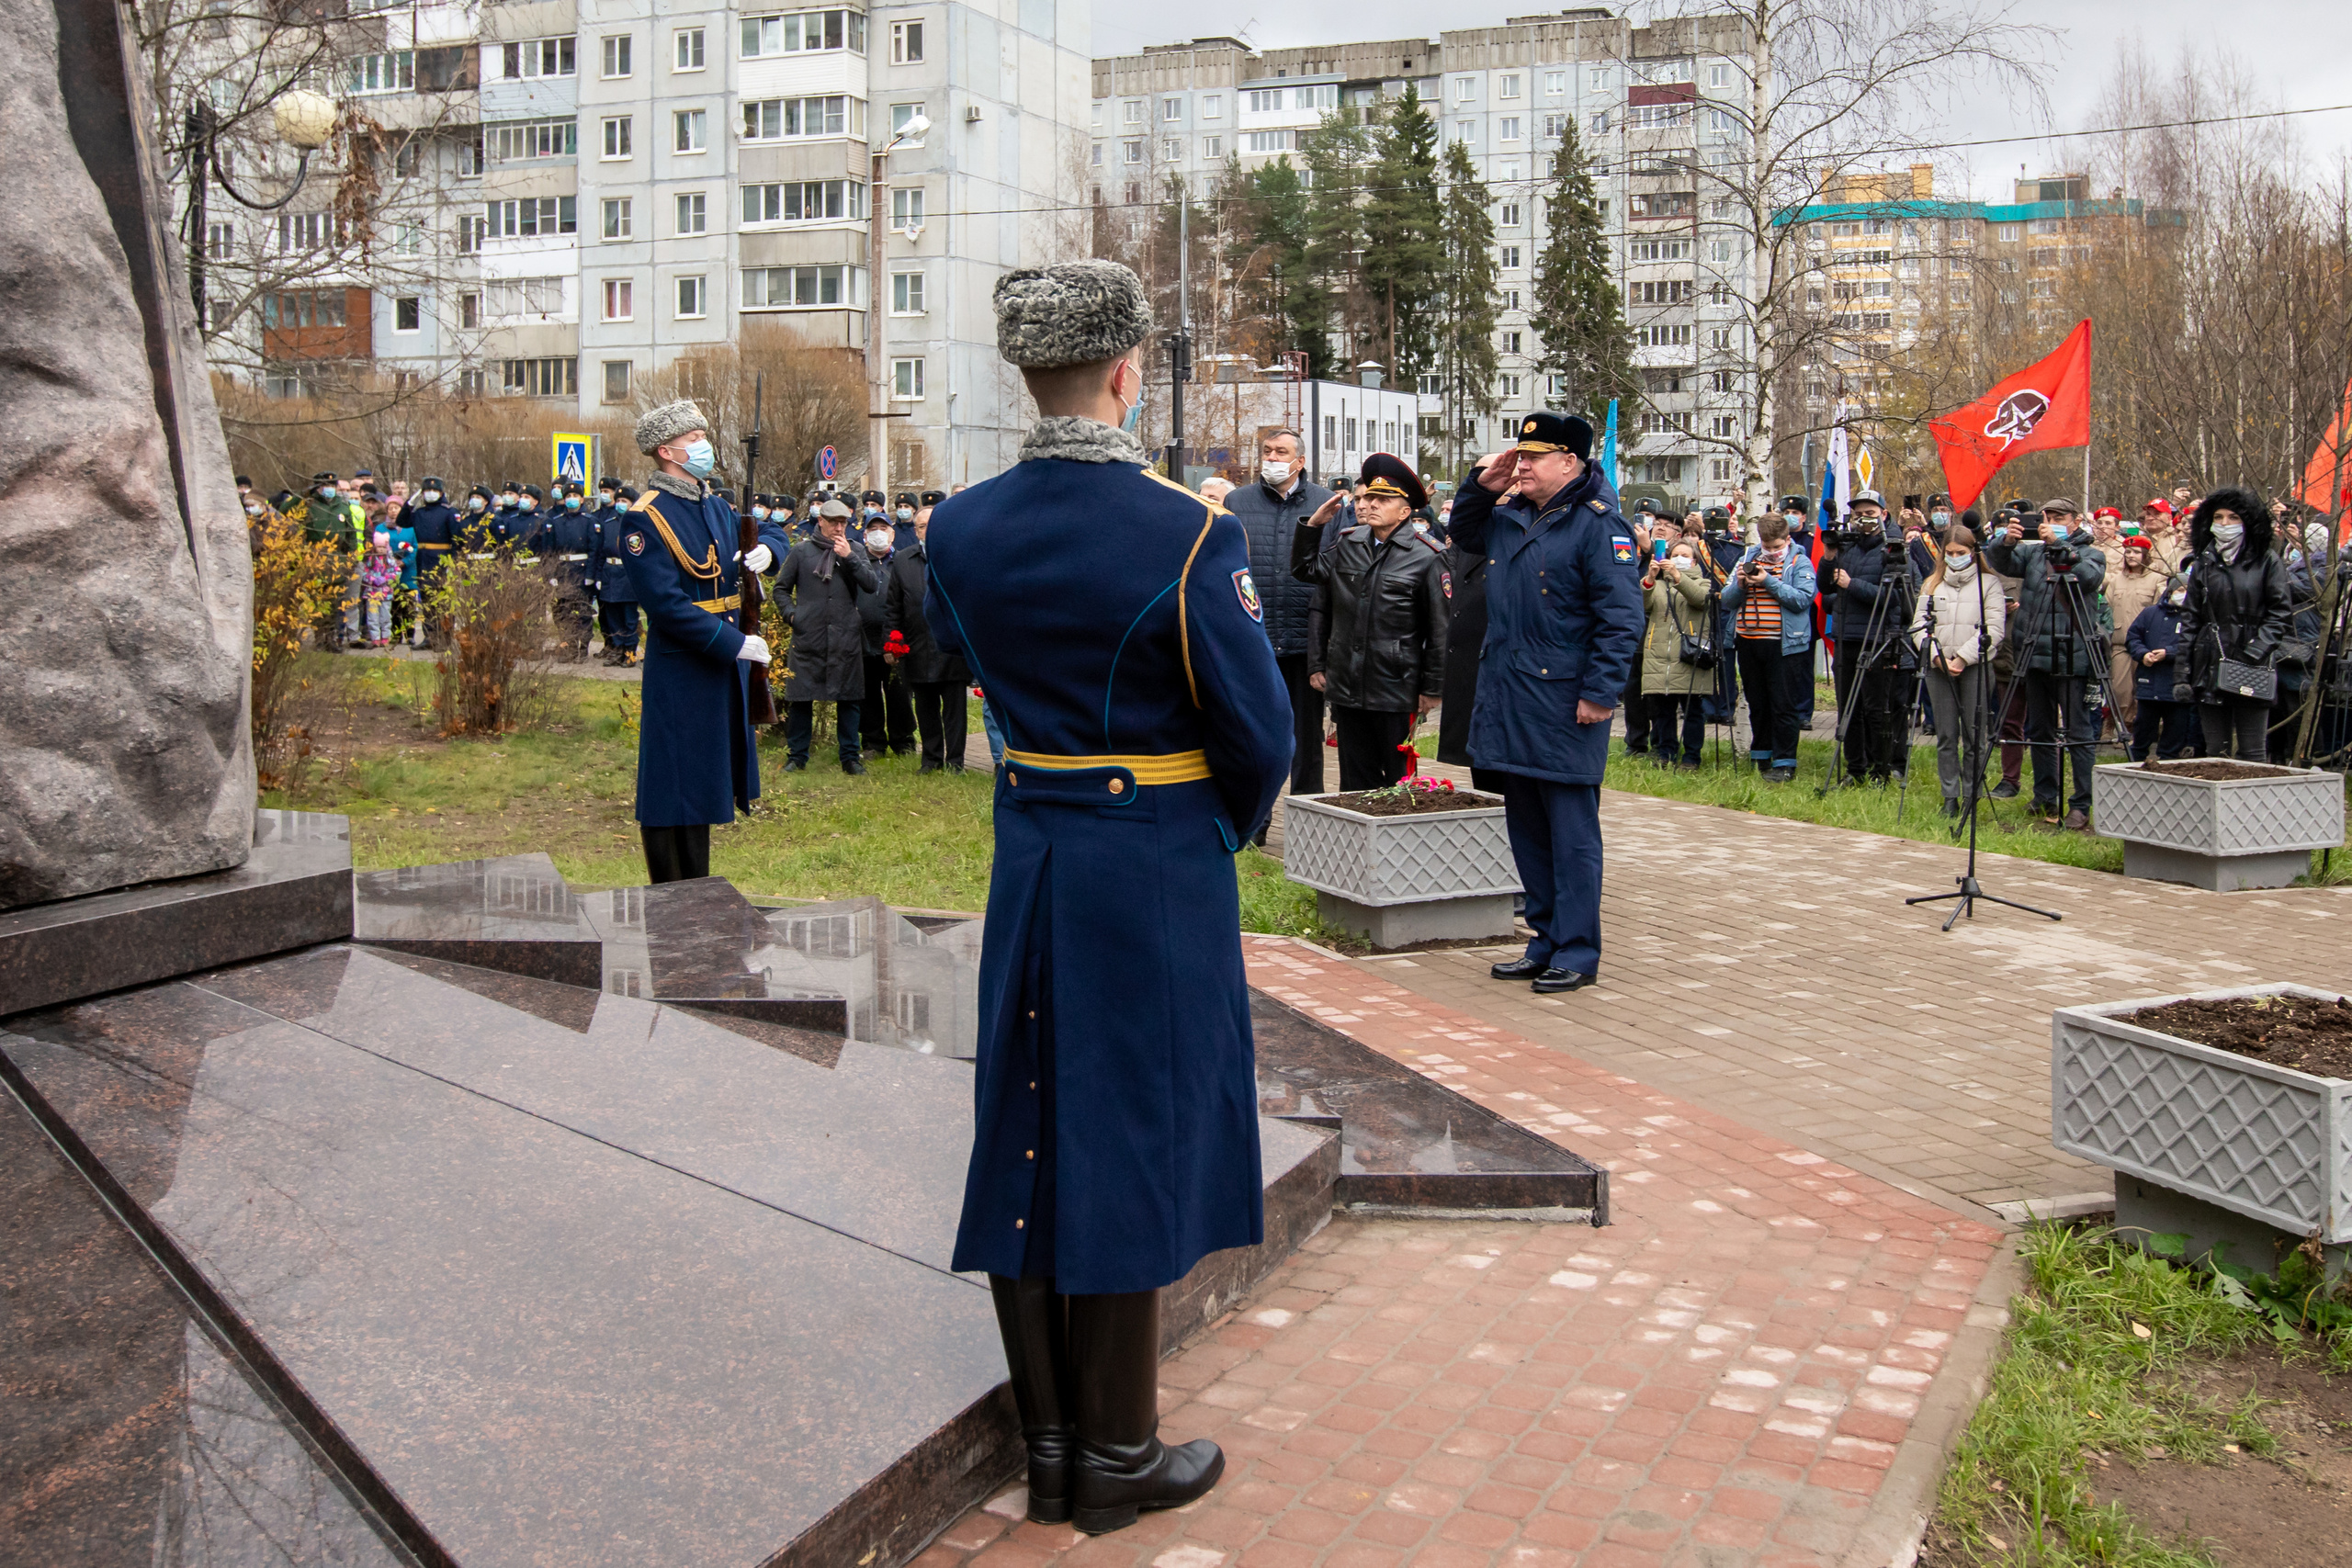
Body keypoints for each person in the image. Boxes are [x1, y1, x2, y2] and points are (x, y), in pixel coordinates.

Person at [921, 259, 1290, 1536]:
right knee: (1134, 1127)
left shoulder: (957, 527)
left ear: (1028, 374)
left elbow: (968, 659)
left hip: (1033, 850)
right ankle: (1118, 1453)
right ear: (1127, 373)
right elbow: (1259, 733)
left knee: (1026, 1122)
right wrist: (1219, 829)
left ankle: (1054, 1449)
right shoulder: (1186, 530)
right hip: (1152, 863)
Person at [1446, 412, 1643, 994]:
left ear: (1569, 462)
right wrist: (1479, 486)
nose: (1523, 465)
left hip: (1565, 701)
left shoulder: (1599, 525)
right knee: (1528, 829)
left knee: (1571, 835)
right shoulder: (1511, 514)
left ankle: (1577, 951)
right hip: (1509, 693)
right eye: (1521, 455)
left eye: (1535, 457)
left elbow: (1620, 619)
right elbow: (1465, 533)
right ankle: (1544, 940)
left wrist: (1601, 693)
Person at [617, 400, 790, 882]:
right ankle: (671, 890)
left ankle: (697, 888)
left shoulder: (713, 504)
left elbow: (770, 530)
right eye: (694, 439)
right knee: (672, 781)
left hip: (721, 664)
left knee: (703, 782)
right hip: (684, 665)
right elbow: (667, 605)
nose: (704, 447)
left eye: (702, 437)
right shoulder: (645, 518)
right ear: (666, 450)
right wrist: (732, 643)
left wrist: (767, 549)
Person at [1289, 454, 1450, 791]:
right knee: (1354, 781)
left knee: (1398, 783)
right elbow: (1306, 571)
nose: (1371, 504)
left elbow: (1440, 629)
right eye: (1370, 497)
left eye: (1384, 500)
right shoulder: (1350, 541)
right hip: (1348, 683)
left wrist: (1432, 688)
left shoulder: (1428, 555)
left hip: (1396, 686)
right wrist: (1312, 527)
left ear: (1405, 512)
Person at [1222, 429, 1336, 813]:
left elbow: (1334, 570)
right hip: (1255, 638)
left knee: (1307, 741)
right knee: (1254, 738)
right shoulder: (1238, 501)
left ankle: (1309, 819)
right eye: (1267, 451)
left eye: (1281, 452)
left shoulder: (1326, 503)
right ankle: (1256, 822)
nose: (1271, 458)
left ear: (1299, 461)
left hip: (1306, 641)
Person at [1987, 499, 2107, 829]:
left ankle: (2081, 803)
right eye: (2047, 517)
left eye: (2059, 517)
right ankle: (2045, 795)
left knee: (2078, 732)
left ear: (2075, 520)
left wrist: (2060, 546)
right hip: (2033, 654)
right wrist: (2006, 541)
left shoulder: (2091, 552)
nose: (2052, 522)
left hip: (2073, 655)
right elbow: (2000, 561)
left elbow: (2088, 579)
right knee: (2040, 730)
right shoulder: (2034, 554)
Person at [2176, 488, 2293, 761]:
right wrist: (2182, 673)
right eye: (2218, 517)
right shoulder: (2204, 562)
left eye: (2233, 517)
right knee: (2216, 752)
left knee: (2253, 752)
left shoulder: (2266, 560)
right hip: (2209, 662)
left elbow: (2280, 613)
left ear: (2247, 521)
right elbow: (2190, 619)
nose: (2224, 524)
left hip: (2252, 664)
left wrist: (2255, 651)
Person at [771, 498, 879, 773]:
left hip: (845, 637)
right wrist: (792, 615)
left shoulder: (855, 550)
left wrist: (849, 558)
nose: (839, 528)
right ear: (820, 521)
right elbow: (781, 589)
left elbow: (870, 585)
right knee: (801, 698)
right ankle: (797, 756)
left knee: (849, 698)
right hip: (809, 636)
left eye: (843, 523)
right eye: (833, 522)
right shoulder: (801, 552)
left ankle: (850, 758)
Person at [1907, 525, 2005, 818]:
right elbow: (1918, 626)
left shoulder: (1989, 584)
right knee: (1947, 735)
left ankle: (1971, 794)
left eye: (1960, 552)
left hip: (1974, 666)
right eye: (1949, 553)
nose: (1954, 557)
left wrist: (1963, 658)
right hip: (1940, 667)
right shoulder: (1932, 584)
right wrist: (1936, 656)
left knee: (1975, 735)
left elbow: (1995, 629)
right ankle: (1949, 795)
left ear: (1972, 552)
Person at [1823, 491, 1911, 784]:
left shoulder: (1893, 548)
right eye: (1859, 514)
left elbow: (1893, 597)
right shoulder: (1847, 546)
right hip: (1845, 637)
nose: (1864, 519)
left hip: (1877, 640)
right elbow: (1825, 588)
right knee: (1849, 708)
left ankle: (1880, 769)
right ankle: (1855, 769)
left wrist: (1851, 585)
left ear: (1883, 515)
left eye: (1870, 514)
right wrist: (1829, 557)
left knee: (1876, 709)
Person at [1722, 512, 1817, 780]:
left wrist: (1768, 581)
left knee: (1783, 705)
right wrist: (1741, 584)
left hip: (1783, 645)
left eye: (1777, 546)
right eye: (1767, 546)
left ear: (1787, 539)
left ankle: (1785, 763)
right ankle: (1761, 757)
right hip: (1749, 642)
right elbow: (1727, 599)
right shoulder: (1747, 559)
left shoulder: (1799, 562)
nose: (1772, 552)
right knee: (1758, 703)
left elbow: (1803, 599)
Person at [884, 503, 970, 772]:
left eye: (933, 525)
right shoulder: (903, 560)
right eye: (922, 527)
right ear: (916, 531)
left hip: (952, 650)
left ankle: (955, 762)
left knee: (955, 711)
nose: (928, 531)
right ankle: (931, 760)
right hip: (917, 647)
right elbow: (893, 606)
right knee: (925, 709)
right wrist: (891, 643)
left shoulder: (958, 556)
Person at [1636, 537, 1714, 769]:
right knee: (1663, 711)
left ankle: (1691, 757)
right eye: (1675, 555)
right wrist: (1651, 578)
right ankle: (1666, 754)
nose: (1679, 559)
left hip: (1690, 656)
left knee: (1692, 711)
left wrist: (1677, 577)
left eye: (1685, 556)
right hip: (1659, 657)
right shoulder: (1659, 585)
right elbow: (1642, 604)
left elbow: (1700, 600)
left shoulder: (1704, 583)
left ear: (1694, 561)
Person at [854, 519, 918, 757]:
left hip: (896, 637)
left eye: (883, 529)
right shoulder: (857, 562)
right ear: (865, 536)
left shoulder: (903, 561)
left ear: (893, 535)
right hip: (864, 638)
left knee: (899, 692)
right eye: (873, 530)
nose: (878, 534)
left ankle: (903, 741)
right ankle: (873, 742)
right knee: (868, 692)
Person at [2101, 534, 2169, 739]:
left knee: (2143, 690)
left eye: (2136, 552)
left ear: (2146, 555)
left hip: (2146, 646)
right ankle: (2119, 726)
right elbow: (2106, 610)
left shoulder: (2157, 579)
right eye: (2128, 552)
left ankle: (2140, 731)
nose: (2131, 555)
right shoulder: (2116, 580)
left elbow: (2160, 613)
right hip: (2120, 643)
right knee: (2120, 689)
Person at [2125, 578, 2196, 761]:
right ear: (2170, 592)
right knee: (2142, 730)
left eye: (2188, 590)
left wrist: (2169, 653)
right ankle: (2135, 764)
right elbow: (2133, 637)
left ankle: (2167, 764)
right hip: (2149, 683)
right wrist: (2143, 654)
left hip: (2178, 685)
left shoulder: (2193, 617)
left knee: (2174, 735)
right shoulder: (2150, 613)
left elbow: (2194, 645)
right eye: (2180, 590)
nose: (2184, 595)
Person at [294, 471, 364, 651]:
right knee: (318, 601)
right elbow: (297, 529)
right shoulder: (310, 505)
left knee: (335, 603)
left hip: (337, 561)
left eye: (332, 486)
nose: (329, 489)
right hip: (316, 559)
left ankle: (331, 638)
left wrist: (352, 558)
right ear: (317, 487)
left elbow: (351, 534)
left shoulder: (343, 506)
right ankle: (320, 637)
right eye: (326, 486)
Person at [543, 483, 600, 660]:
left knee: (583, 612)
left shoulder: (590, 521)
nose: (571, 499)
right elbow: (550, 551)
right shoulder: (556, 522)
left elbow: (594, 551)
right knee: (564, 612)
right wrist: (552, 574)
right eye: (568, 496)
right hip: (563, 572)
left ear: (582, 499)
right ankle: (569, 646)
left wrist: (590, 575)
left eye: (575, 496)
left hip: (581, 572)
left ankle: (583, 648)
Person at [594, 484, 644, 665]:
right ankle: (617, 648)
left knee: (629, 617)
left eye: (625, 501)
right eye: (619, 500)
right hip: (610, 574)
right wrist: (598, 576)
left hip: (628, 575)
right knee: (612, 615)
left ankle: (630, 651)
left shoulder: (638, 524)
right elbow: (600, 552)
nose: (620, 504)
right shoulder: (608, 524)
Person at [359, 526, 401, 649]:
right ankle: (375, 638)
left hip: (386, 593)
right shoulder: (370, 560)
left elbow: (397, 572)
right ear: (375, 547)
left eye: (383, 547)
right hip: (372, 592)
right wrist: (372, 579)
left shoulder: (390, 560)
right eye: (379, 547)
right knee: (372, 616)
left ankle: (385, 637)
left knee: (385, 616)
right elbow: (364, 573)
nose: (381, 549)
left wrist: (386, 578)